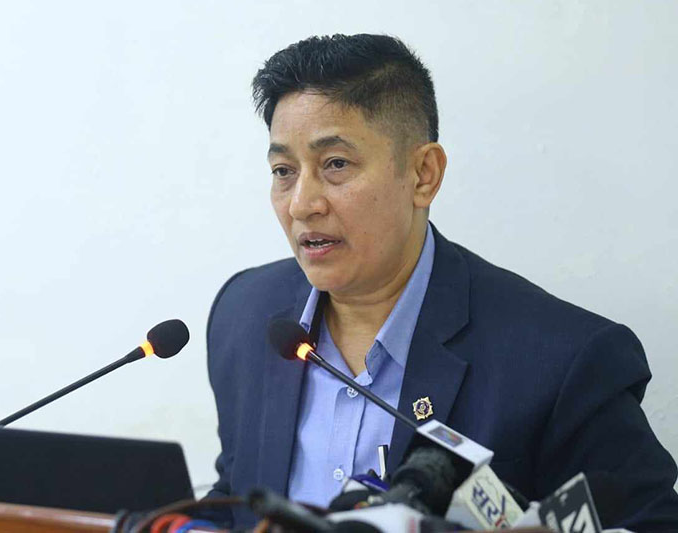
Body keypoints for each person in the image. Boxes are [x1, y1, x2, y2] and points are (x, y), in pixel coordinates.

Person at [205, 34, 678, 530]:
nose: (303, 204)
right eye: (284, 170)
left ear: (423, 174)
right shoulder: (245, 315)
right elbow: (236, 494)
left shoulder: (560, 362)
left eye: (336, 165)